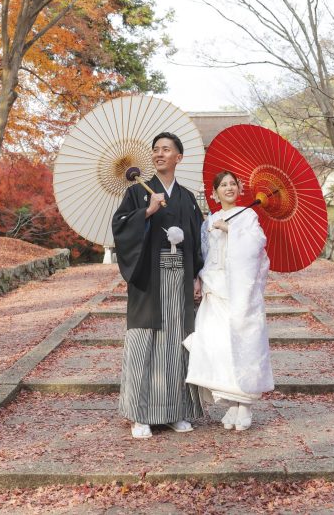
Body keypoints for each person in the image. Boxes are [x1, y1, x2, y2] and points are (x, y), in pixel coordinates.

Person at [111, 132, 205, 439]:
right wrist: (147, 212)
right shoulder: (138, 193)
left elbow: (197, 240)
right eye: (155, 150)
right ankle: (141, 414)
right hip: (149, 278)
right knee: (145, 342)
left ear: (179, 157)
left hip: (179, 277)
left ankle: (176, 411)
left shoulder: (188, 198)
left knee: (177, 341)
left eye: (166, 149)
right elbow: (120, 227)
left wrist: (197, 275)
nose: (159, 154)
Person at [184, 170, 273, 431]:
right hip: (215, 287)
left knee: (243, 344)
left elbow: (257, 245)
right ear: (214, 193)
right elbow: (205, 253)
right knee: (217, 345)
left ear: (240, 188)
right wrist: (198, 278)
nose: (229, 188)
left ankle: (244, 404)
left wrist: (232, 230)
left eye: (233, 184)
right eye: (223, 185)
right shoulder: (208, 220)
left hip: (239, 290)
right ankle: (232, 403)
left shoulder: (248, 215)